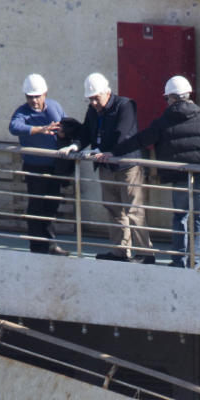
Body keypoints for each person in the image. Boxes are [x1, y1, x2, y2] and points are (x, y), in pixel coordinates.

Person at [100, 75, 200, 267]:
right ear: (188, 95)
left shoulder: (163, 122)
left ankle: (179, 260)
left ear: (171, 98)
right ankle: (195, 262)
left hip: (179, 175)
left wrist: (113, 152)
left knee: (180, 217)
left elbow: (140, 140)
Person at [77, 72, 154, 262]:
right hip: (106, 166)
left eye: (96, 98)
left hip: (127, 167)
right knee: (113, 210)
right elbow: (87, 131)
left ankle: (146, 253)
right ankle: (120, 251)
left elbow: (123, 133)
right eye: (90, 99)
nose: (93, 103)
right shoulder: (93, 110)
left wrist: (108, 151)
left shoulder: (125, 105)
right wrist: (75, 145)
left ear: (107, 92)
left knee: (134, 211)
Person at [8, 73, 68, 256]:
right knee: (36, 207)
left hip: (54, 167)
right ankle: (37, 247)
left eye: (37, 96)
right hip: (35, 167)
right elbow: (14, 127)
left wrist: (66, 134)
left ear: (45, 94)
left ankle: (51, 244)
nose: (34, 100)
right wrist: (39, 130)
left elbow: (67, 124)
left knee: (52, 205)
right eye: (30, 97)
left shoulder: (55, 107)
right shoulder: (22, 112)